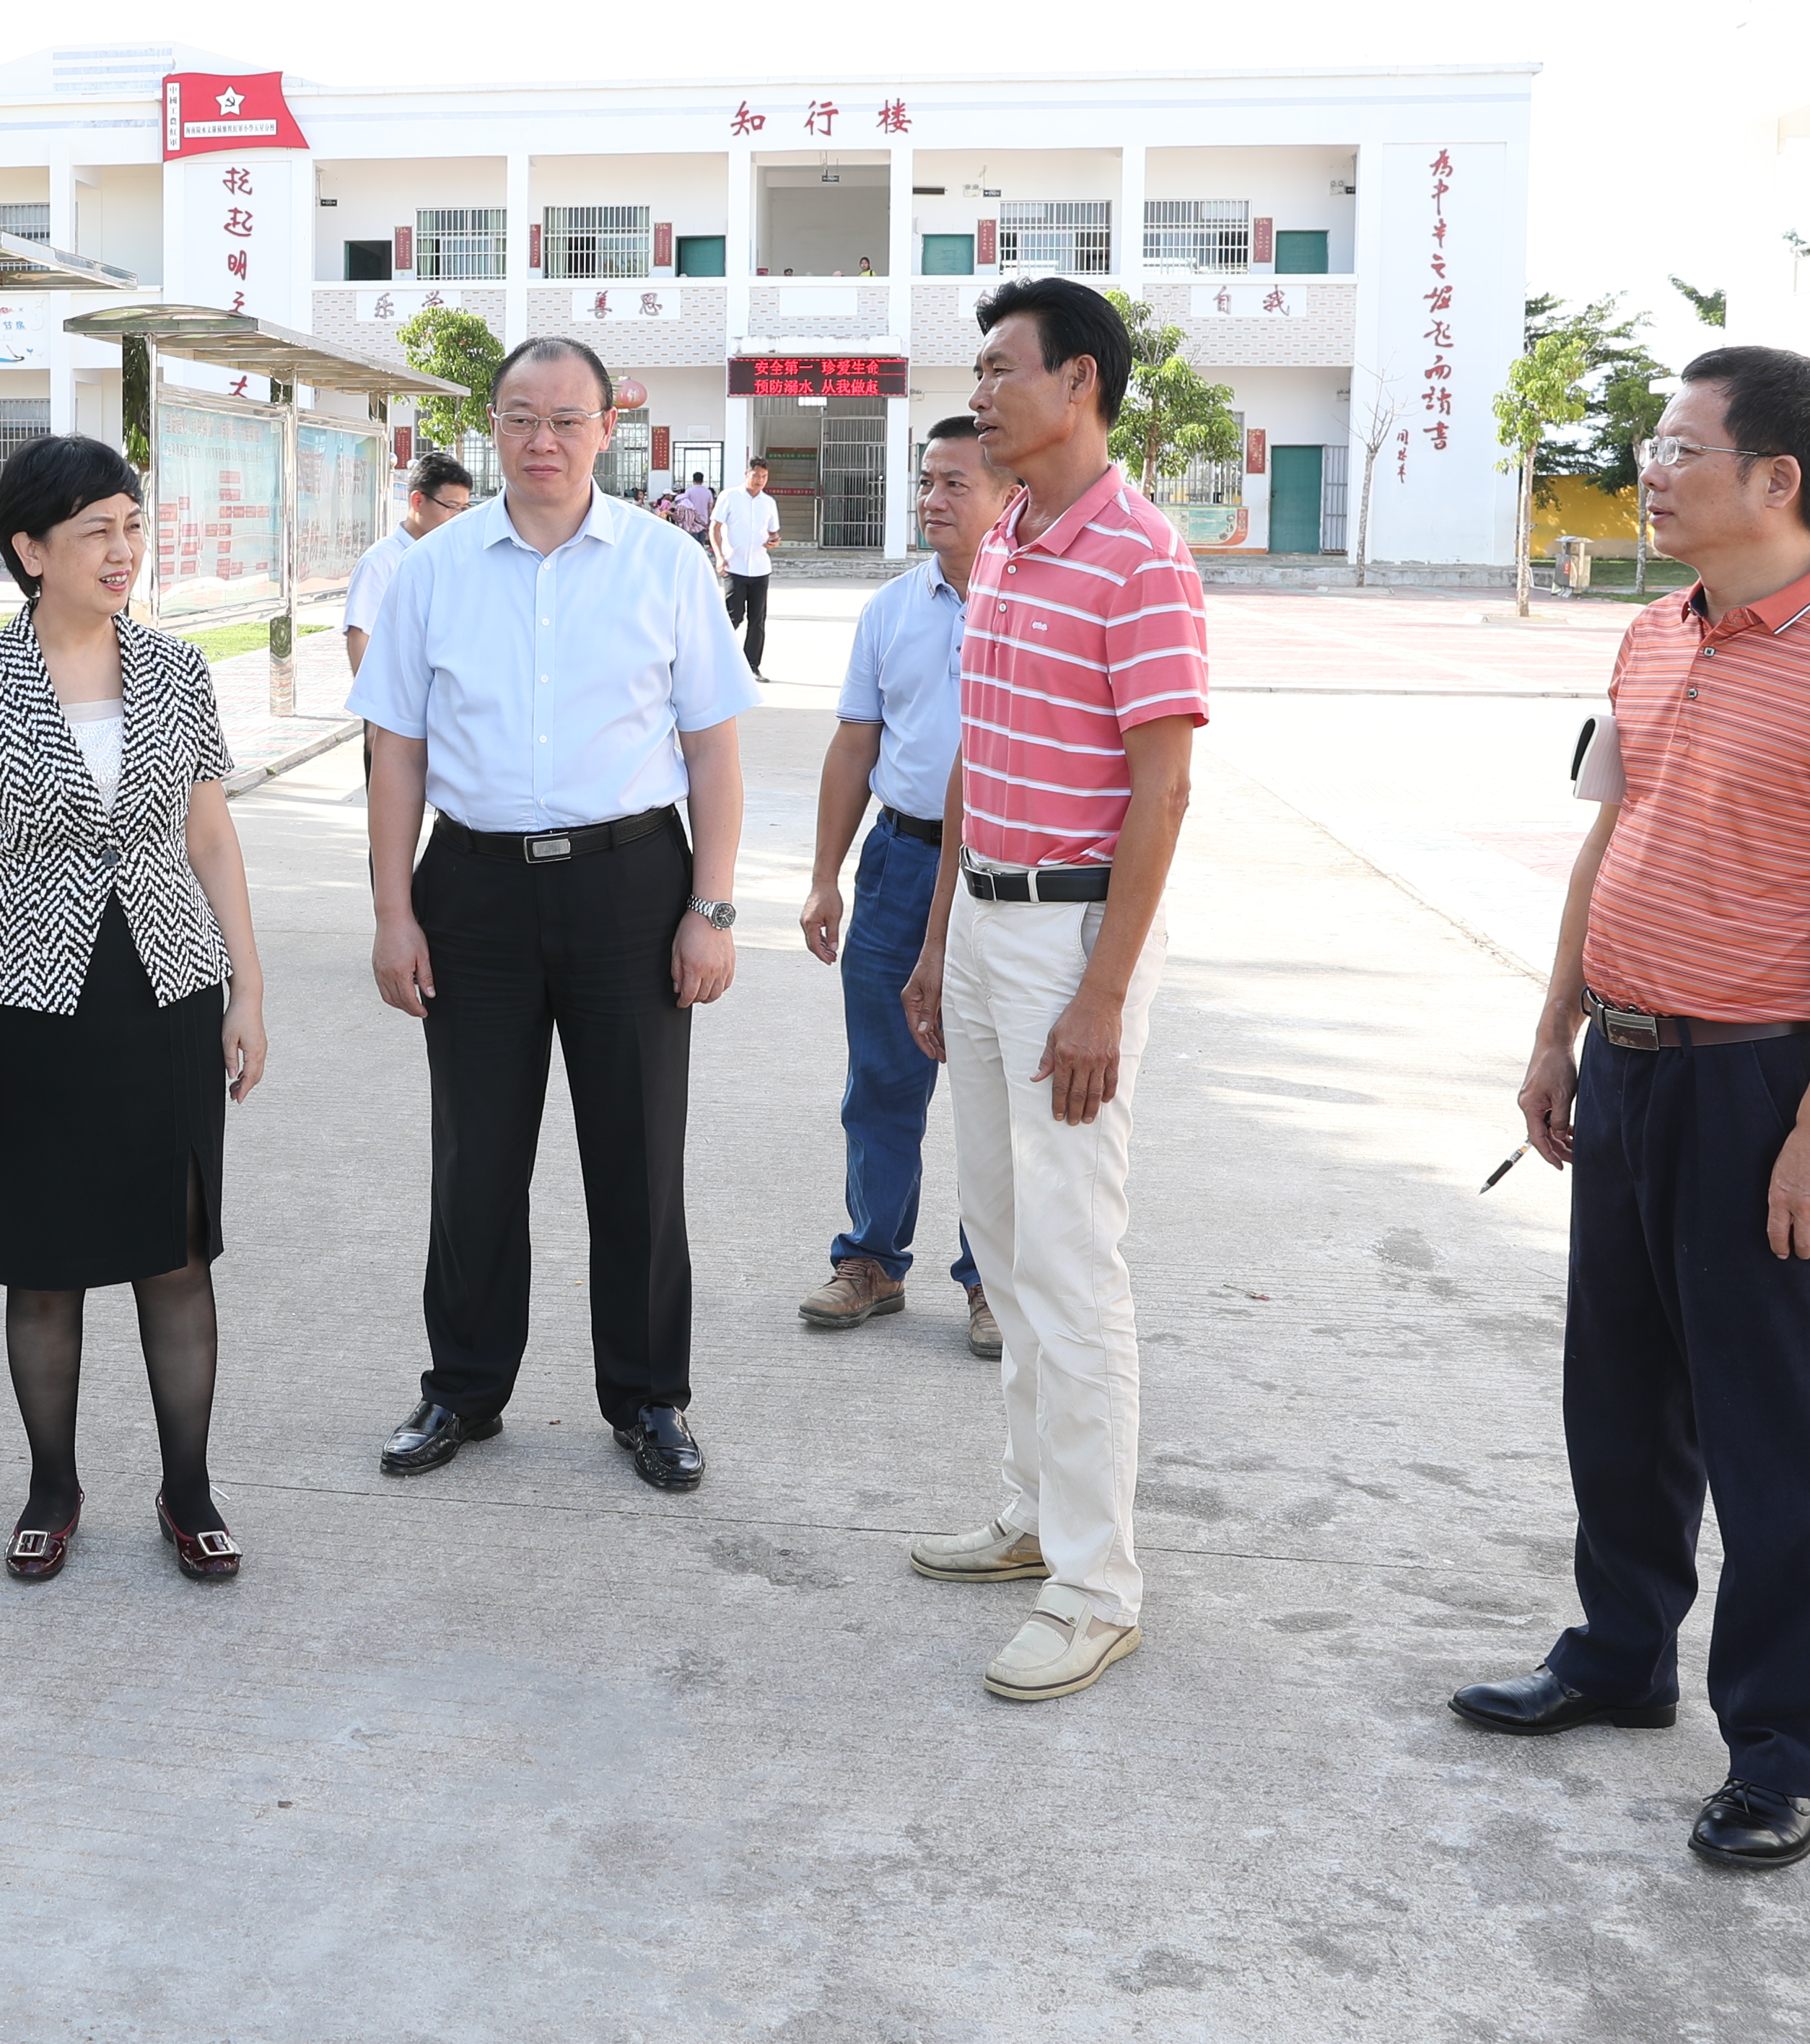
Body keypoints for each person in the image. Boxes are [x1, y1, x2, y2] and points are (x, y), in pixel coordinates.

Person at [1453, 346, 1810, 1874]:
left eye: (1678, 447)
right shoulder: (1654, 634)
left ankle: (1794, 1746)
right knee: (1620, 1391)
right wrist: (1556, 1036)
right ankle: (1619, 1654)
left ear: (1777, 480)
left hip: (1762, 1084)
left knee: (1778, 1429)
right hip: (1632, 1058)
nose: (1650, 469)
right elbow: (1611, 849)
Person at [351, 336, 753, 1493]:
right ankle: (463, 1387)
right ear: (493, 424)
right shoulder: (434, 570)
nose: (542, 441)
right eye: (520, 417)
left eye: (566, 419)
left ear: (607, 427)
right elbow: (399, 754)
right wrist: (394, 910)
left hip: (631, 886)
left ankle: (648, 1397)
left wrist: (711, 909)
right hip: (470, 888)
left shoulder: (667, 564)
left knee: (637, 1156)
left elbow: (714, 753)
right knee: (475, 1154)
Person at [899, 279, 1207, 1705]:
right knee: (1005, 1240)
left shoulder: (1141, 559)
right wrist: (936, 937)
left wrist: (1103, 996)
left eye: (1000, 370)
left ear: (1076, 382)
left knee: (1076, 1264)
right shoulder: (1012, 544)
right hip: (984, 934)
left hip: (1076, 946)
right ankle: (1034, 1518)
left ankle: (1099, 1583)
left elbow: (1165, 792)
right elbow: (977, 754)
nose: (980, 394)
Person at [0, 434, 271, 1583]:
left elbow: (210, 837)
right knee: (45, 1262)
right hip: (26, 1003)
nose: (123, 551)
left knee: (177, 1256)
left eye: (131, 524)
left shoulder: (177, 670)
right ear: (30, 549)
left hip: (167, 990)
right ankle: (52, 1487)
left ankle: (190, 1491)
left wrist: (247, 987)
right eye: (94, 532)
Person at [797, 417, 1018, 1352]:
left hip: (1003, 872)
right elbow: (857, 744)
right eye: (926, 481)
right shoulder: (891, 609)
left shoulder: (1033, 606)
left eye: (954, 483)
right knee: (883, 1077)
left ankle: (991, 1281)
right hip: (900, 861)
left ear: (1010, 494)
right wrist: (825, 877)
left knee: (993, 1088)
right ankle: (871, 1263)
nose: (931, 499)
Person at [344, 450, 473, 677]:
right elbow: (361, 635)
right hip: (400, 701)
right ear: (417, 501)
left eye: (464, 509)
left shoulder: (452, 557)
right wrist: (372, 709)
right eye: (452, 507)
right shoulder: (382, 561)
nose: (459, 517)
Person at [711, 458, 780, 674]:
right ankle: (719, 661)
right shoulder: (729, 497)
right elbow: (715, 527)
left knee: (757, 620)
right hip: (735, 567)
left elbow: (774, 532)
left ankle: (751, 666)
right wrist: (720, 557)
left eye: (764, 477)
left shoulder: (769, 502)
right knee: (734, 615)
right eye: (756, 475)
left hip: (760, 569)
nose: (760, 480)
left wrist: (775, 540)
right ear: (747, 474)